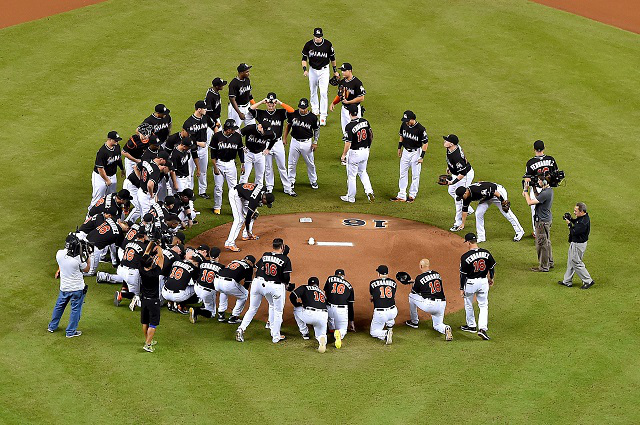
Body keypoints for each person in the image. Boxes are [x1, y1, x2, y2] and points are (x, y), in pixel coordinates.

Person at [236, 238, 292, 343]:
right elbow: (286, 277)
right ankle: (276, 336)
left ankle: (241, 328)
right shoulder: (285, 259)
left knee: (252, 308)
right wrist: (286, 284)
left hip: (257, 283)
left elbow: (256, 268)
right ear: (282, 247)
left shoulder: (265, 254)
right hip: (274, 287)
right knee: (278, 311)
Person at [248, 92, 296, 196]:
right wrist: (261, 102)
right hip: (265, 144)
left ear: (275, 103)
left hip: (278, 143)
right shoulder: (261, 113)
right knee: (268, 166)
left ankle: (287, 188)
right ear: (266, 103)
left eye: (273, 103)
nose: (271, 105)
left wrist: (281, 103)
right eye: (269, 103)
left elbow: (292, 111)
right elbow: (251, 109)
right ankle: (269, 187)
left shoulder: (280, 113)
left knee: (282, 166)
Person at [48, 234, 91, 338]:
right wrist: (88, 256)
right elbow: (87, 269)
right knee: (75, 310)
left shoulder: (59, 253)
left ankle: (52, 326)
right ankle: (70, 332)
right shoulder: (78, 259)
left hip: (64, 287)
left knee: (59, 306)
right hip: (77, 289)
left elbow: (63, 261)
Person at [455, 181, 525, 243]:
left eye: (461, 197)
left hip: (497, 192)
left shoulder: (477, 191)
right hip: (486, 197)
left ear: (465, 192)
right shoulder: (466, 196)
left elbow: (494, 192)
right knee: (478, 213)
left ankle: (519, 231)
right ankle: (481, 237)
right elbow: (465, 210)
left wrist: (503, 201)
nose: (461, 198)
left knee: (506, 212)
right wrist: (463, 223)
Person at [404, 259, 453, 341]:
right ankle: (446, 328)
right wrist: (415, 281)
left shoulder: (419, 278)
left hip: (430, 305)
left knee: (411, 296)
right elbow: (429, 285)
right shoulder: (437, 274)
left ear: (421, 266)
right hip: (442, 304)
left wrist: (414, 283)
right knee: (437, 325)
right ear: (428, 265)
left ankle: (414, 322)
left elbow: (415, 292)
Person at [459, 232, 496, 340]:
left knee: (468, 303)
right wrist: (491, 278)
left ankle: (471, 326)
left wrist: (461, 288)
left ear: (469, 243)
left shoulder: (465, 257)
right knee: (483, 305)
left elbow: (463, 275)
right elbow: (491, 267)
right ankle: (482, 329)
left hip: (470, 283)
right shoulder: (486, 253)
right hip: (483, 282)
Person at [301, 27, 339, 126]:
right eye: (316, 36)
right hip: (312, 70)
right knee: (313, 90)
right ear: (313, 36)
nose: (318, 38)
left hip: (324, 71)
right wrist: (305, 70)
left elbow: (332, 59)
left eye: (320, 36)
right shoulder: (308, 44)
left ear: (322, 36)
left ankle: (323, 116)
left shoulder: (327, 45)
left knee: (323, 92)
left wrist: (335, 71)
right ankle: (315, 110)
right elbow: (304, 58)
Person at [523, 140, 560, 237]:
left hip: (536, 189)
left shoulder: (530, 162)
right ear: (544, 148)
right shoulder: (550, 159)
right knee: (546, 208)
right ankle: (546, 226)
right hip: (548, 189)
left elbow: (527, 178)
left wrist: (525, 190)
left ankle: (537, 232)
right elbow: (556, 174)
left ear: (534, 149)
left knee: (534, 210)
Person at [390, 111, 428, 203]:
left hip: (416, 153)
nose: (406, 122)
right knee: (402, 173)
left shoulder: (420, 129)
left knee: (415, 175)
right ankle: (401, 195)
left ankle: (412, 195)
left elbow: (425, 143)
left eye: (407, 120)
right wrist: (399, 148)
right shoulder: (404, 125)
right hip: (406, 152)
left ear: (412, 119)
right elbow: (401, 136)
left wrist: (422, 156)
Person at [224, 182, 275, 252]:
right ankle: (229, 243)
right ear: (264, 198)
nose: (265, 204)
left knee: (254, 214)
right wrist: (248, 231)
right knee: (239, 219)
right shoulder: (254, 200)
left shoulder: (264, 189)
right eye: (266, 203)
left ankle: (246, 235)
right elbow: (247, 218)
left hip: (244, 195)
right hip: (235, 194)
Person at [340, 104, 374, 203]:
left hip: (355, 153)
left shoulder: (349, 126)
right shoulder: (365, 122)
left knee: (351, 175)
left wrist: (343, 155)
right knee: (363, 172)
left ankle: (350, 197)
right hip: (365, 151)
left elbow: (348, 143)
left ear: (349, 113)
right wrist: (368, 147)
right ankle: (369, 191)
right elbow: (371, 135)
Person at [284, 98, 320, 191]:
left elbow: (316, 130)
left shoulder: (313, 117)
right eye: (301, 108)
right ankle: (291, 180)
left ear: (307, 107)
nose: (302, 110)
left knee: (310, 163)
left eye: (304, 108)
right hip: (294, 141)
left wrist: (315, 142)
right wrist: (284, 138)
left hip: (307, 143)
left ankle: (313, 180)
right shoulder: (293, 114)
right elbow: (288, 126)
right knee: (291, 163)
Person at [210, 119, 245, 215]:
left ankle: (236, 209)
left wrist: (243, 164)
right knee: (218, 187)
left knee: (234, 189)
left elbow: (240, 151)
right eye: (232, 129)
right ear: (228, 129)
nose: (234, 131)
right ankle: (217, 207)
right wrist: (215, 167)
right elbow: (212, 153)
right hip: (219, 163)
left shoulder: (237, 137)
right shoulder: (217, 136)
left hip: (231, 164)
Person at [441, 134, 475, 230]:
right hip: (457, 173)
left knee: (458, 198)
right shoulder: (451, 148)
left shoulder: (457, 156)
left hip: (465, 176)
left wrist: (453, 182)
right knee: (451, 191)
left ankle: (458, 223)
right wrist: (449, 167)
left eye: (446, 140)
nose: (444, 142)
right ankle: (468, 209)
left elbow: (463, 172)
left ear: (451, 144)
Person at [523, 169, 554, 272]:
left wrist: (526, 190)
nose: (538, 182)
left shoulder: (545, 193)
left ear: (544, 182)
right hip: (546, 220)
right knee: (547, 242)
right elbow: (539, 197)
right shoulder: (548, 191)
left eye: (540, 180)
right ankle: (549, 262)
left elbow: (530, 202)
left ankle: (544, 267)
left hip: (541, 222)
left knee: (541, 244)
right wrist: (534, 188)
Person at [559, 203, 594, 289]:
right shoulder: (583, 218)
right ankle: (567, 281)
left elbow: (574, 231)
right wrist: (571, 219)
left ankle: (588, 280)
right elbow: (577, 222)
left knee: (576, 262)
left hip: (578, 244)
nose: (574, 212)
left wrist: (569, 223)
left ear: (582, 211)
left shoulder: (583, 222)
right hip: (576, 243)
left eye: (576, 211)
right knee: (571, 262)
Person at [138, 240, 164, 353]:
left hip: (144, 300)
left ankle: (148, 340)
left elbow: (146, 252)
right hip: (153, 301)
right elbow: (161, 257)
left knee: (145, 322)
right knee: (153, 324)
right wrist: (158, 247)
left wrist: (152, 242)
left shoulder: (141, 268)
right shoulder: (155, 272)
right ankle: (148, 344)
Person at [291, 277, 329, 353]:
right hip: (323, 315)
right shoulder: (322, 293)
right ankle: (322, 339)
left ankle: (305, 333)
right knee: (320, 333)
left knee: (296, 309)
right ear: (318, 285)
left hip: (309, 314)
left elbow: (292, 296)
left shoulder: (304, 287)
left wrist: (297, 304)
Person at [213, 255, 255, 323]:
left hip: (217, 281)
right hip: (228, 283)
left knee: (223, 291)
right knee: (244, 295)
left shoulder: (234, 261)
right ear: (251, 263)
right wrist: (242, 291)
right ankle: (234, 317)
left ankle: (221, 314)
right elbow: (247, 282)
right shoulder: (249, 267)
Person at [89, 131, 124, 209]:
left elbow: (118, 159)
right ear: (109, 139)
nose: (117, 142)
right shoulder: (102, 152)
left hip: (112, 175)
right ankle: (89, 217)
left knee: (111, 197)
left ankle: (107, 216)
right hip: (100, 177)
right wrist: (107, 180)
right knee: (97, 199)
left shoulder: (117, 147)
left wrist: (122, 169)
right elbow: (100, 168)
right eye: (115, 140)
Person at [329, 63, 366, 136]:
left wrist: (349, 102)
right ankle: (348, 147)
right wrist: (333, 103)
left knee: (355, 132)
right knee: (345, 132)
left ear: (350, 71)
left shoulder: (357, 82)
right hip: (344, 110)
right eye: (342, 70)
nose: (342, 72)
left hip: (354, 111)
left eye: (344, 70)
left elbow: (362, 98)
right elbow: (340, 95)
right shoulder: (342, 82)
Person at [189, 247, 224, 323]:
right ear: (218, 256)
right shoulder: (221, 267)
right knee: (212, 314)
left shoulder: (203, 263)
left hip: (197, 287)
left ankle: (203, 304)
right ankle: (197, 310)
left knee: (206, 299)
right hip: (207, 292)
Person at [323, 269, 355, 349]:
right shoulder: (350, 286)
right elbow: (350, 305)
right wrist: (351, 322)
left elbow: (326, 292)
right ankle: (339, 333)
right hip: (341, 310)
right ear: (343, 276)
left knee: (331, 319)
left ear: (335, 275)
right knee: (343, 329)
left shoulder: (330, 279)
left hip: (329, 308)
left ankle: (331, 329)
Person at [239, 122, 276, 187]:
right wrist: (241, 146)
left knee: (260, 177)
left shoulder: (269, 132)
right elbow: (238, 135)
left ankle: (257, 194)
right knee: (244, 176)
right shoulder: (250, 128)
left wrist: (268, 149)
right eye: (264, 131)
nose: (265, 133)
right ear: (261, 127)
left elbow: (274, 139)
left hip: (260, 155)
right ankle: (240, 194)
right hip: (248, 154)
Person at [182, 101, 207, 192]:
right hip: (192, 149)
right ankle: (190, 191)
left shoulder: (205, 118)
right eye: (204, 108)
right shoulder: (188, 123)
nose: (206, 109)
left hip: (203, 150)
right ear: (199, 109)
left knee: (203, 171)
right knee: (190, 172)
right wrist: (199, 143)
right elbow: (185, 139)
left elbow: (215, 125)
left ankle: (202, 191)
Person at [369, 265, 396, 345]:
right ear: (387, 273)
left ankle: (386, 334)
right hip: (393, 311)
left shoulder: (372, 283)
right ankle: (390, 326)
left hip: (381, 313)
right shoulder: (394, 283)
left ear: (378, 274)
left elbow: (373, 296)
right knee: (390, 308)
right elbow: (392, 296)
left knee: (373, 332)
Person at [228, 63, 255, 127]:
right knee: (233, 129)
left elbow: (249, 94)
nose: (249, 73)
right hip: (237, 109)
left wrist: (254, 105)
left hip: (247, 107)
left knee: (252, 127)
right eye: (247, 72)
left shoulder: (247, 80)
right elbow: (232, 99)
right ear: (241, 72)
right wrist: (239, 113)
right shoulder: (234, 84)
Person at [204, 77, 227, 142]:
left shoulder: (216, 92)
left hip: (215, 117)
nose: (223, 86)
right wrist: (216, 122)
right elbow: (209, 111)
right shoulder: (210, 96)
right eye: (221, 85)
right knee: (207, 140)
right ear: (217, 86)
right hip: (210, 119)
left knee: (220, 137)